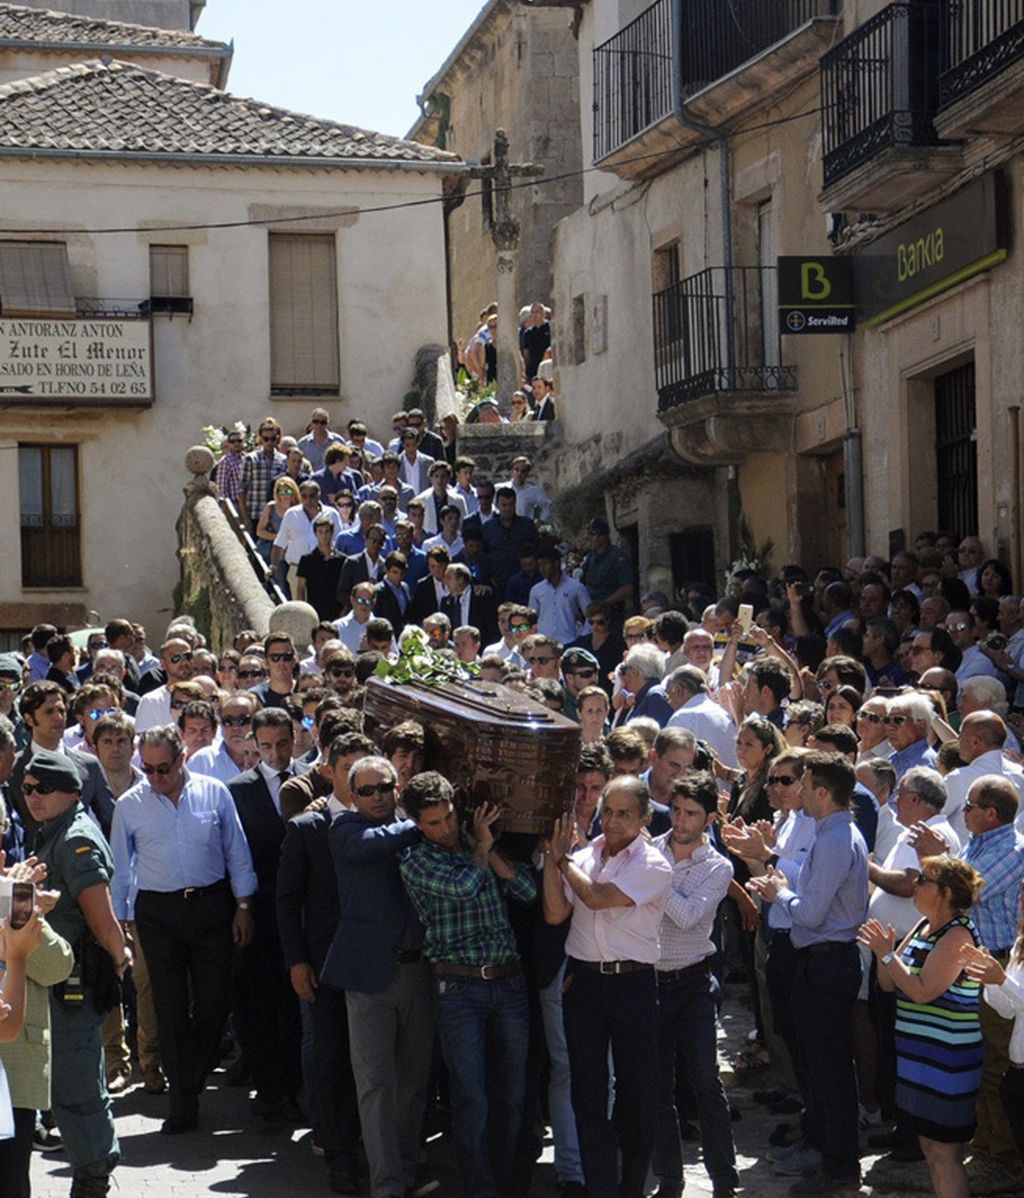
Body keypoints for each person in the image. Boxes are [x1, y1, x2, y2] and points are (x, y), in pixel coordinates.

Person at [110, 727, 256, 1135]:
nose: (155, 777)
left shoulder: (215, 793)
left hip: (211, 906)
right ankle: (183, 1101)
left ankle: (192, 1071)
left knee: (213, 1002)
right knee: (169, 1005)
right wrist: (122, 925)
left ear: (181, 760)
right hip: (158, 913)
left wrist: (244, 906)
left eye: (163, 768)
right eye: (149, 769)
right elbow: (122, 867)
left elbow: (236, 851)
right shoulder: (130, 805)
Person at [400, 774, 537, 1198]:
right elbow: (464, 886)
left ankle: (508, 1183)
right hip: (458, 989)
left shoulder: (477, 839)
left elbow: (528, 891)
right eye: (433, 823)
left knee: (512, 1095)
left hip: (508, 981)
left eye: (448, 817)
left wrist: (487, 845)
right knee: (471, 1098)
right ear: (417, 824)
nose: (443, 828)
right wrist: (481, 846)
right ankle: (481, 1188)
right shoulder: (415, 859)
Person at [542, 775, 673, 1198]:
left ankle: (630, 1186)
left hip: (632, 985)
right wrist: (552, 861)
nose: (613, 822)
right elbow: (555, 914)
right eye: (608, 812)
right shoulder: (582, 856)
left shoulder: (652, 864)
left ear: (644, 818)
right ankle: (598, 1188)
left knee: (636, 1093)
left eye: (623, 814)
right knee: (588, 1093)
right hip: (584, 985)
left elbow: (597, 897)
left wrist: (562, 862)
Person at [748, 751, 869, 1196]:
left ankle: (840, 1167)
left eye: (805, 784)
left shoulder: (837, 838)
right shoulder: (828, 833)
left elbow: (813, 913)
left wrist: (780, 892)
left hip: (827, 962)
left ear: (822, 791)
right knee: (823, 1069)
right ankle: (830, 1156)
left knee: (832, 1071)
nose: (797, 792)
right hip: (819, 962)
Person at [328, 761, 436, 1198]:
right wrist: (418, 824)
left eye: (384, 788)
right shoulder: (345, 828)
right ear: (353, 796)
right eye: (367, 790)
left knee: (412, 1083)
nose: (377, 796)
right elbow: (370, 845)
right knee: (375, 1084)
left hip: (418, 971)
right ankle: (386, 1184)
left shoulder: (413, 830)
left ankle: (407, 1172)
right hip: (369, 978)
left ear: (397, 789)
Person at [27, 750, 129, 1197]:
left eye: (43, 790)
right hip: (52, 977)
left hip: (73, 983)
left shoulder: (75, 838)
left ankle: (93, 1173)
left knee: (76, 1081)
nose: (33, 798)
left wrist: (119, 960)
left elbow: (102, 921)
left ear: (71, 792)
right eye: (27, 789)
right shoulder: (55, 830)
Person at [860, 855, 985, 1198]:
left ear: (945, 893)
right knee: (930, 1147)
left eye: (924, 881)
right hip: (919, 1058)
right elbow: (888, 984)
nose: (916, 885)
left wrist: (888, 955)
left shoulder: (958, 934)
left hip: (948, 1060)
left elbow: (922, 992)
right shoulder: (922, 926)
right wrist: (880, 952)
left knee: (945, 1154)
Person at [652, 773, 739, 1198]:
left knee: (705, 1079)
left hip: (692, 981)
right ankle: (669, 1178)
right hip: (650, 981)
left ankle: (723, 1179)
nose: (680, 820)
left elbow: (688, 917)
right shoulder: (648, 851)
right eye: (676, 810)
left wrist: (652, 877)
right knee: (657, 1085)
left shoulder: (718, 866)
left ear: (708, 819)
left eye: (691, 814)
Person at [227, 708, 304, 1122]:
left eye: (283, 744)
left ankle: (296, 1084)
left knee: (298, 1004)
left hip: (305, 911)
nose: (275, 753)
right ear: (254, 744)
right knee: (261, 1001)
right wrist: (242, 908)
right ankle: (270, 1088)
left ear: (294, 739)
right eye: (267, 745)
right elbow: (233, 856)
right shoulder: (238, 790)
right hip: (260, 910)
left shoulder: (315, 781)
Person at [0, 872, 73, 1198]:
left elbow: (58, 967)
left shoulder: (13, 894)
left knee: (11, 1180)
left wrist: (26, 917)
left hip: (15, 1076)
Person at [961, 906, 1024, 1171]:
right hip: (1017, 1073)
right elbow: (1007, 1009)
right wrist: (989, 979)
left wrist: (1002, 980)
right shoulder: (1020, 945)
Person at [238, 417, 287, 533]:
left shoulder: (283, 460)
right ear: (260, 438)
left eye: (273, 438)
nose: (270, 442)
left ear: (278, 438)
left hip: (277, 515)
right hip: (255, 514)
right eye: (266, 439)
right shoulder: (250, 459)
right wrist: (245, 518)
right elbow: (241, 491)